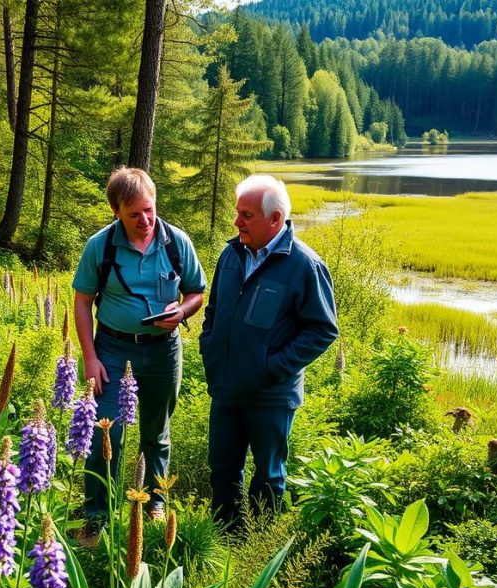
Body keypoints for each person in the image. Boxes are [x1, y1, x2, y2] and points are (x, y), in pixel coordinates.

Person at [72, 167, 206, 546]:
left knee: (156, 431)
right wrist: (90, 357)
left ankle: (155, 502)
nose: (145, 220)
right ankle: (97, 515)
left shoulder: (177, 243)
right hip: (113, 350)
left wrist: (181, 313)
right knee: (105, 431)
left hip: (164, 352)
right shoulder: (101, 246)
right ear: (116, 212)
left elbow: (197, 292)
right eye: (134, 214)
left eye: (149, 210)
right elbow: (83, 303)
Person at [199, 174, 338, 531]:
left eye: (246, 215)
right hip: (227, 388)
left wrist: (272, 368)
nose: (237, 222)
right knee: (223, 469)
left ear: (275, 219)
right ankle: (225, 538)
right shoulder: (231, 255)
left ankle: (257, 549)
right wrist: (210, 348)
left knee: (268, 476)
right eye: (237, 213)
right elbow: (213, 311)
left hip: (270, 395)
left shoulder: (305, 266)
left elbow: (323, 329)